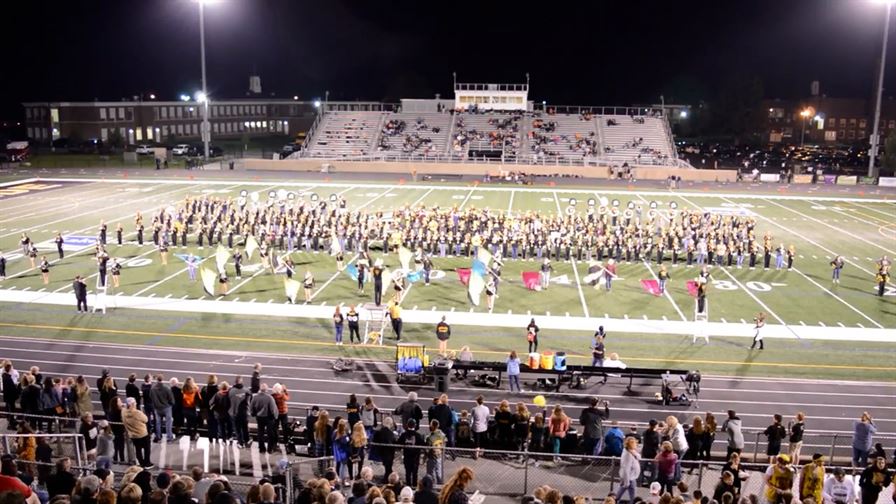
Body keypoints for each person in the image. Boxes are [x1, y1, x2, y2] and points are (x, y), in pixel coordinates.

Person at [122, 397, 152, 468]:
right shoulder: (137, 413)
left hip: (133, 435)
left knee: (138, 449)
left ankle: (141, 463)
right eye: (135, 403)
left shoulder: (124, 412)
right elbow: (146, 419)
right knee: (147, 448)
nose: (136, 403)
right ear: (132, 404)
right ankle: (147, 463)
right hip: (142, 434)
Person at [250, 383, 278, 454]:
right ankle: (270, 449)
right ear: (266, 390)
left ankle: (261, 448)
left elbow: (251, 407)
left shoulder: (255, 397)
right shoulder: (269, 398)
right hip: (268, 418)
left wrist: (254, 414)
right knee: (270, 433)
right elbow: (272, 409)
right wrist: (274, 416)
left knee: (260, 433)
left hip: (259, 417)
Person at [398, 419, 425, 488]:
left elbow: (398, 444)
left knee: (407, 473)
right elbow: (424, 444)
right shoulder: (418, 435)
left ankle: (408, 486)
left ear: (407, 425)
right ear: (415, 426)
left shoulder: (404, 435)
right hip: (415, 458)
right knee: (415, 473)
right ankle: (414, 486)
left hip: (407, 457)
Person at [149, 374, 175, 444]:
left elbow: (151, 397)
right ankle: (169, 438)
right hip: (166, 407)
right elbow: (171, 398)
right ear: (162, 379)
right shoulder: (166, 388)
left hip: (157, 408)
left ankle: (158, 437)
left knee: (158, 423)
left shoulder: (153, 389)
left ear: (156, 379)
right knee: (168, 423)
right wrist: (171, 404)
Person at [615, 437, 641, 504]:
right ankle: (614, 501)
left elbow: (639, 457)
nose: (636, 444)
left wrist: (634, 453)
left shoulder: (631, 451)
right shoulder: (627, 455)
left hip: (631, 478)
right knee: (632, 496)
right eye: (635, 443)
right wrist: (627, 482)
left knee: (621, 492)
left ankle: (614, 501)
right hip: (630, 478)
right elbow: (626, 469)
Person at [425, 420, 447, 485]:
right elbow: (445, 443)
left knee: (430, 473)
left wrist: (425, 457)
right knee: (439, 473)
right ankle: (440, 485)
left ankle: (431, 486)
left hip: (431, 457)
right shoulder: (442, 435)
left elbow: (427, 449)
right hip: (439, 456)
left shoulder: (430, 437)